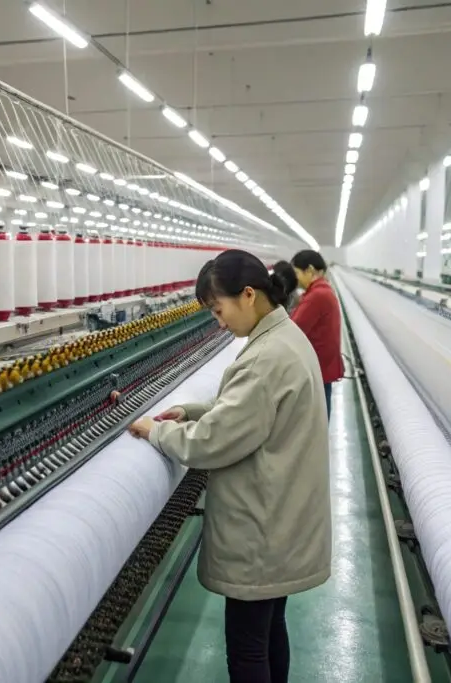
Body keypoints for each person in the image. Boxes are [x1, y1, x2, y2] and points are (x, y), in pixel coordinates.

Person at [129, 249, 332, 683]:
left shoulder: (265, 358)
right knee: (268, 632)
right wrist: (192, 410)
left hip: (262, 531)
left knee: (246, 651)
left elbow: (213, 442)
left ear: (248, 295)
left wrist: (154, 431)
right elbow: (248, 412)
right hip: (284, 522)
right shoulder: (286, 338)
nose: (219, 323)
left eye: (219, 311)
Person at [277, 250, 343, 419]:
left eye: (297, 273)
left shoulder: (318, 295)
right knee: (320, 411)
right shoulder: (323, 290)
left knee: (316, 416)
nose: (296, 279)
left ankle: (319, 444)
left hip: (317, 366)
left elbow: (293, 327)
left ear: (310, 270)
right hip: (321, 364)